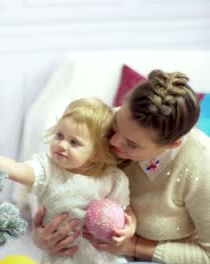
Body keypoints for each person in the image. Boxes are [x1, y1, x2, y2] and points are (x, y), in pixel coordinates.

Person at [32, 70, 210, 263]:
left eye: (132, 144)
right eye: (116, 125)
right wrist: (41, 237)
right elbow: (55, 181)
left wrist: (135, 246)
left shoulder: (201, 165)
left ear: (172, 145)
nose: (114, 142)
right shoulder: (105, 122)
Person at [0, 97, 135, 264]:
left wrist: (129, 228)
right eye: (59, 135)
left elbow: (126, 210)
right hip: (63, 257)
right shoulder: (48, 170)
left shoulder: (112, 179)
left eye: (74, 142)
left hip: (102, 258)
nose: (62, 144)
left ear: (96, 154)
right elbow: (17, 169)